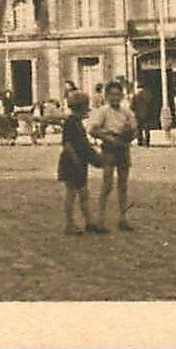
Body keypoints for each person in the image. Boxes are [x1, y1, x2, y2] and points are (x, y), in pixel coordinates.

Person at [86, 80, 139, 232]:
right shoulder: (103, 111)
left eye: (118, 94)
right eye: (112, 95)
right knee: (107, 184)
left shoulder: (126, 112)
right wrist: (109, 137)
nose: (115, 98)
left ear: (122, 96)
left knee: (123, 185)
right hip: (109, 149)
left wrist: (130, 134)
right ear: (107, 96)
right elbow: (92, 130)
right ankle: (100, 219)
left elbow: (135, 129)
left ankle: (123, 218)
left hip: (123, 148)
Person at [57, 91, 103, 235]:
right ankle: (69, 224)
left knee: (83, 193)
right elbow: (67, 144)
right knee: (71, 194)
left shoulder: (76, 122)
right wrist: (76, 159)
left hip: (79, 162)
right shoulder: (71, 123)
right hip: (71, 162)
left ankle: (89, 222)